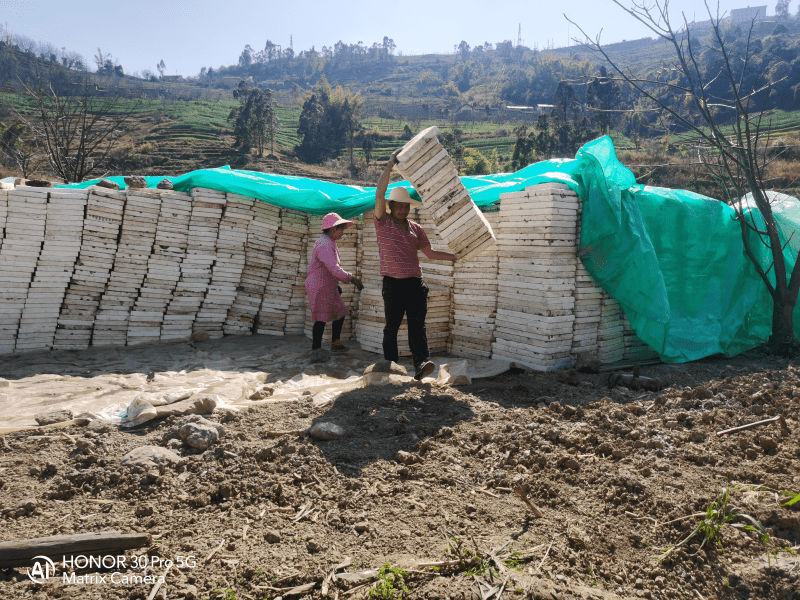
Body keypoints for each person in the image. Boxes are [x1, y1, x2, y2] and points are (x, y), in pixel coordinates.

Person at [375, 151, 457, 380]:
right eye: (398, 206)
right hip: (392, 284)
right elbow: (379, 192)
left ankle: (421, 364)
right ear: (391, 206)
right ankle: (390, 366)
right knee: (391, 327)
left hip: (414, 284)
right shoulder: (383, 222)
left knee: (417, 326)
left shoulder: (416, 229)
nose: (402, 209)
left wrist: (455, 256)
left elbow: (429, 253)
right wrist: (390, 164)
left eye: (406, 206)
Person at [305, 213, 363, 357]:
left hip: (327, 284)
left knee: (340, 312)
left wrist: (335, 284)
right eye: (341, 229)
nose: (342, 233)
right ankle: (316, 350)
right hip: (320, 284)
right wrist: (352, 279)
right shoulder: (324, 244)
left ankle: (336, 343)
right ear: (332, 229)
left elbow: (331, 269)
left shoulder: (329, 242)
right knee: (321, 317)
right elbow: (333, 268)